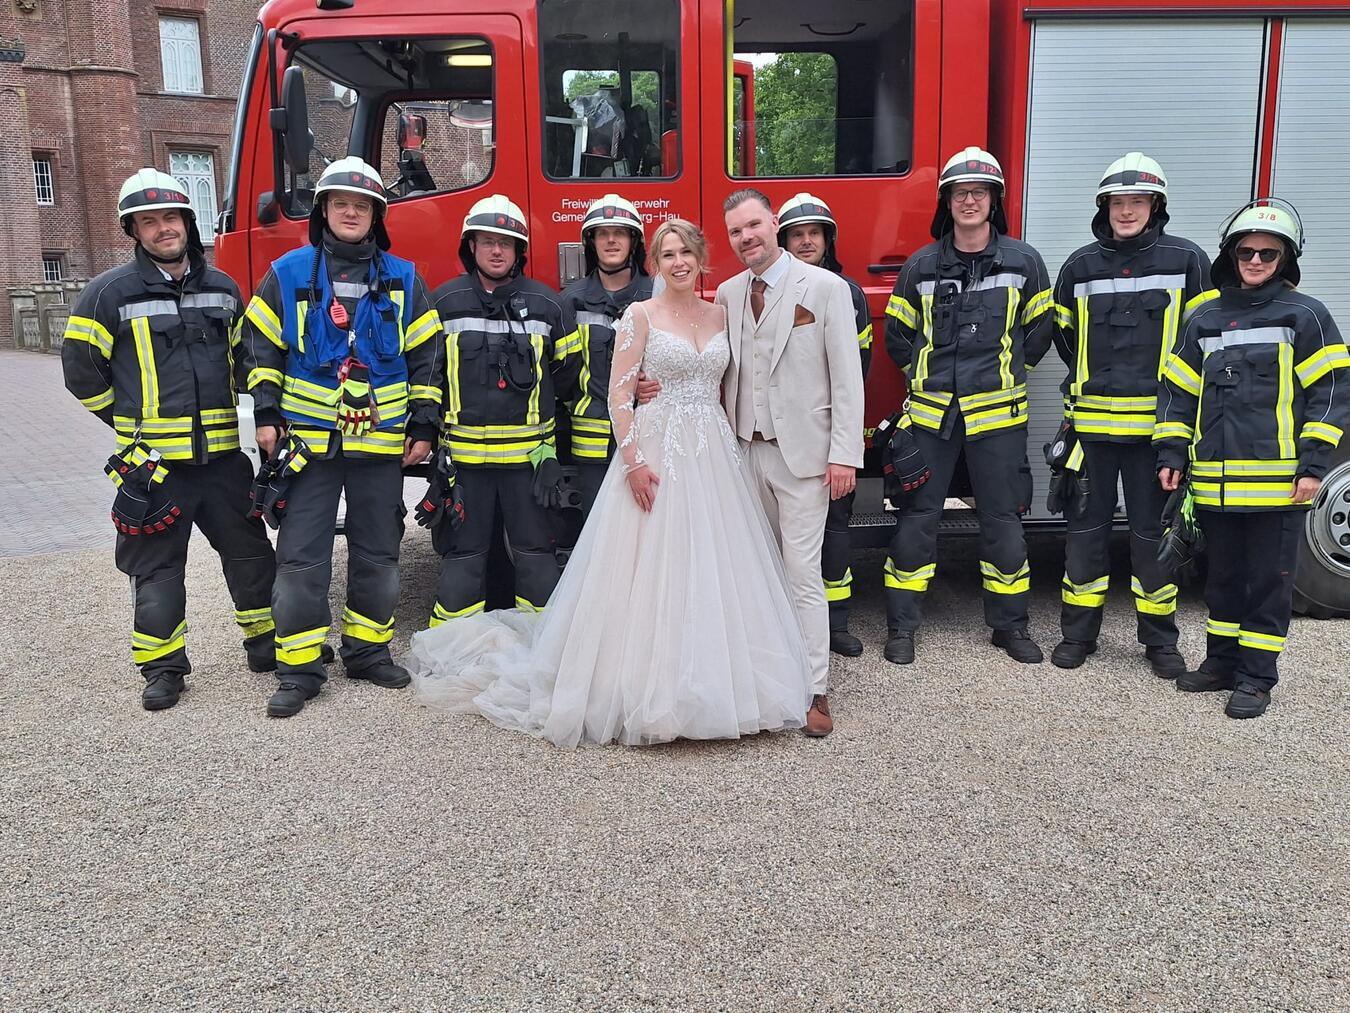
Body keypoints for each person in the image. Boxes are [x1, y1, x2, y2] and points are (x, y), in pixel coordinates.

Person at [408, 219, 813, 748]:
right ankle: (639, 684)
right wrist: (634, 463)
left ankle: (719, 679)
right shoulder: (639, 315)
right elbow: (619, 399)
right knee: (646, 569)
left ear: (701, 257)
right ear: (656, 263)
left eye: (686, 252)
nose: (678, 262)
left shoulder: (724, 313)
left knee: (715, 565)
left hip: (714, 453)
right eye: (667, 254)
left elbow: (737, 379)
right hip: (655, 451)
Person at [61, 168, 277, 711]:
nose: (163, 229)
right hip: (154, 466)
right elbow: (81, 371)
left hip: (225, 458)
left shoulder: (224, 289)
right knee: (157, 569)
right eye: (149, 221)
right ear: (133, 230)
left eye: (172, 218)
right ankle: (163, 668)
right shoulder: (108, 292)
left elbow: (245, 361)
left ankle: (265, 642)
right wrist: (128, 422)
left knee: (251, 555)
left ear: (188, 222)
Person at [238, 157, 444, 718]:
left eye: (362, 206)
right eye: (340, 204)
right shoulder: (288, 273)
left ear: (376, 215)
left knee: (379, 552)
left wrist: (424, 423)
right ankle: (300, 668)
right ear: (323, 211)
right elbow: (259, 349)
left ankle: (367, 652)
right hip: (308, 445)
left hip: (380, 447)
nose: (351, 213)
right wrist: (266, 413)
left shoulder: (403, 278)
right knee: (302, 557)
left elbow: (427, 357)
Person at [1156, 198, 1349, 718]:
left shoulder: (1305, 315)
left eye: (1269, 252)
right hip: (1216, 485)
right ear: (1232, 255)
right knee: (1220, 581)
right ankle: (1220, 663)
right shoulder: (1206, 318)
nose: (1257, 260)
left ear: (1286, 259)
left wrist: (1313, 467)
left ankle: (1257, 678)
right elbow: (1178, 393)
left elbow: (1331, 394)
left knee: (1267, 584)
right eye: (1247, 251)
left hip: (1277, 488)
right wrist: (1172, 452)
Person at [882, 147, 1055, 666]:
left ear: (994, 201)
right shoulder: (921, 266)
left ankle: (1010, 627)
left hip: (998, 418)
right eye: (961, 193)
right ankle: (901, 627)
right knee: (918, 518)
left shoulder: (1024, 263)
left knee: (1002, 520)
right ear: (948, 203)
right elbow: (898, 337)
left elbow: (1039, 332)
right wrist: (927, 378)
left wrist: (999, 376)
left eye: (980, 193)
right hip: (932, 418)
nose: (971, 201)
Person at [1048, 153, 1213, 676]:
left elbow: (1201, 343)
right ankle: (1078, 635)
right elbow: (1064, 336)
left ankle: (1160, 642)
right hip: (1092, 432)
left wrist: (1179, 431)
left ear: (1155, 205)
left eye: (1136, 201)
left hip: (1155, 435)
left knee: (1151, 540)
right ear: (1105, 207)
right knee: (1086, 537)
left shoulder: (1187, 260)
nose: (1126, 211)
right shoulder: (1079, 266)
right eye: (1118, 202)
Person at [717, 189, 866, 737]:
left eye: (753, 225)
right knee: (756, 572)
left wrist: (845, 455)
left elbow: (847, 376)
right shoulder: (729, 294)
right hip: (743, 451)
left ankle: (814, 690)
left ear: (773, 223)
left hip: (804, 455)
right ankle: (764, 679)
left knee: (803, 574)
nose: (746, 237)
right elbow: (712, 364)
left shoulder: (825, 289)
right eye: (735, 231)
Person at [426, 195, 580, 626]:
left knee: (535, 556)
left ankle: (543, 644)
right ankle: (452, 646)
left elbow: (566, 376)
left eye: (507, 243)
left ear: (519, 252)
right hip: (465, 466)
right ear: (470, 246)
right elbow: (429, 376)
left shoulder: (550, 306)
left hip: (529, 465)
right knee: (464, 558)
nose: (497, 250)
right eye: (488, 241)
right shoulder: (444, 302)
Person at [776, 192, 873, 657]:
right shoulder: (772, 290)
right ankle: (787, 627)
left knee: (836, 528)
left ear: (827, 239)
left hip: (827, 437)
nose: (806, 241)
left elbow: (857, 369)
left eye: (814, 233)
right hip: (783, 444)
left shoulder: (845, 292)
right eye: (797, 234)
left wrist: (842, 445)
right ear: (784, 242)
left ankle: (835, 625)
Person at [559, 193, 654, 519]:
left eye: (620, 232)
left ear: (634, 242)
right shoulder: (570, 302)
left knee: (649, 527)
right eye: (602, 233)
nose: (611, 240)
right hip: (591, 441)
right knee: (598, 530)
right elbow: (562, 376)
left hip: (648, 434)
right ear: (591, 242)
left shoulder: (656, 295)